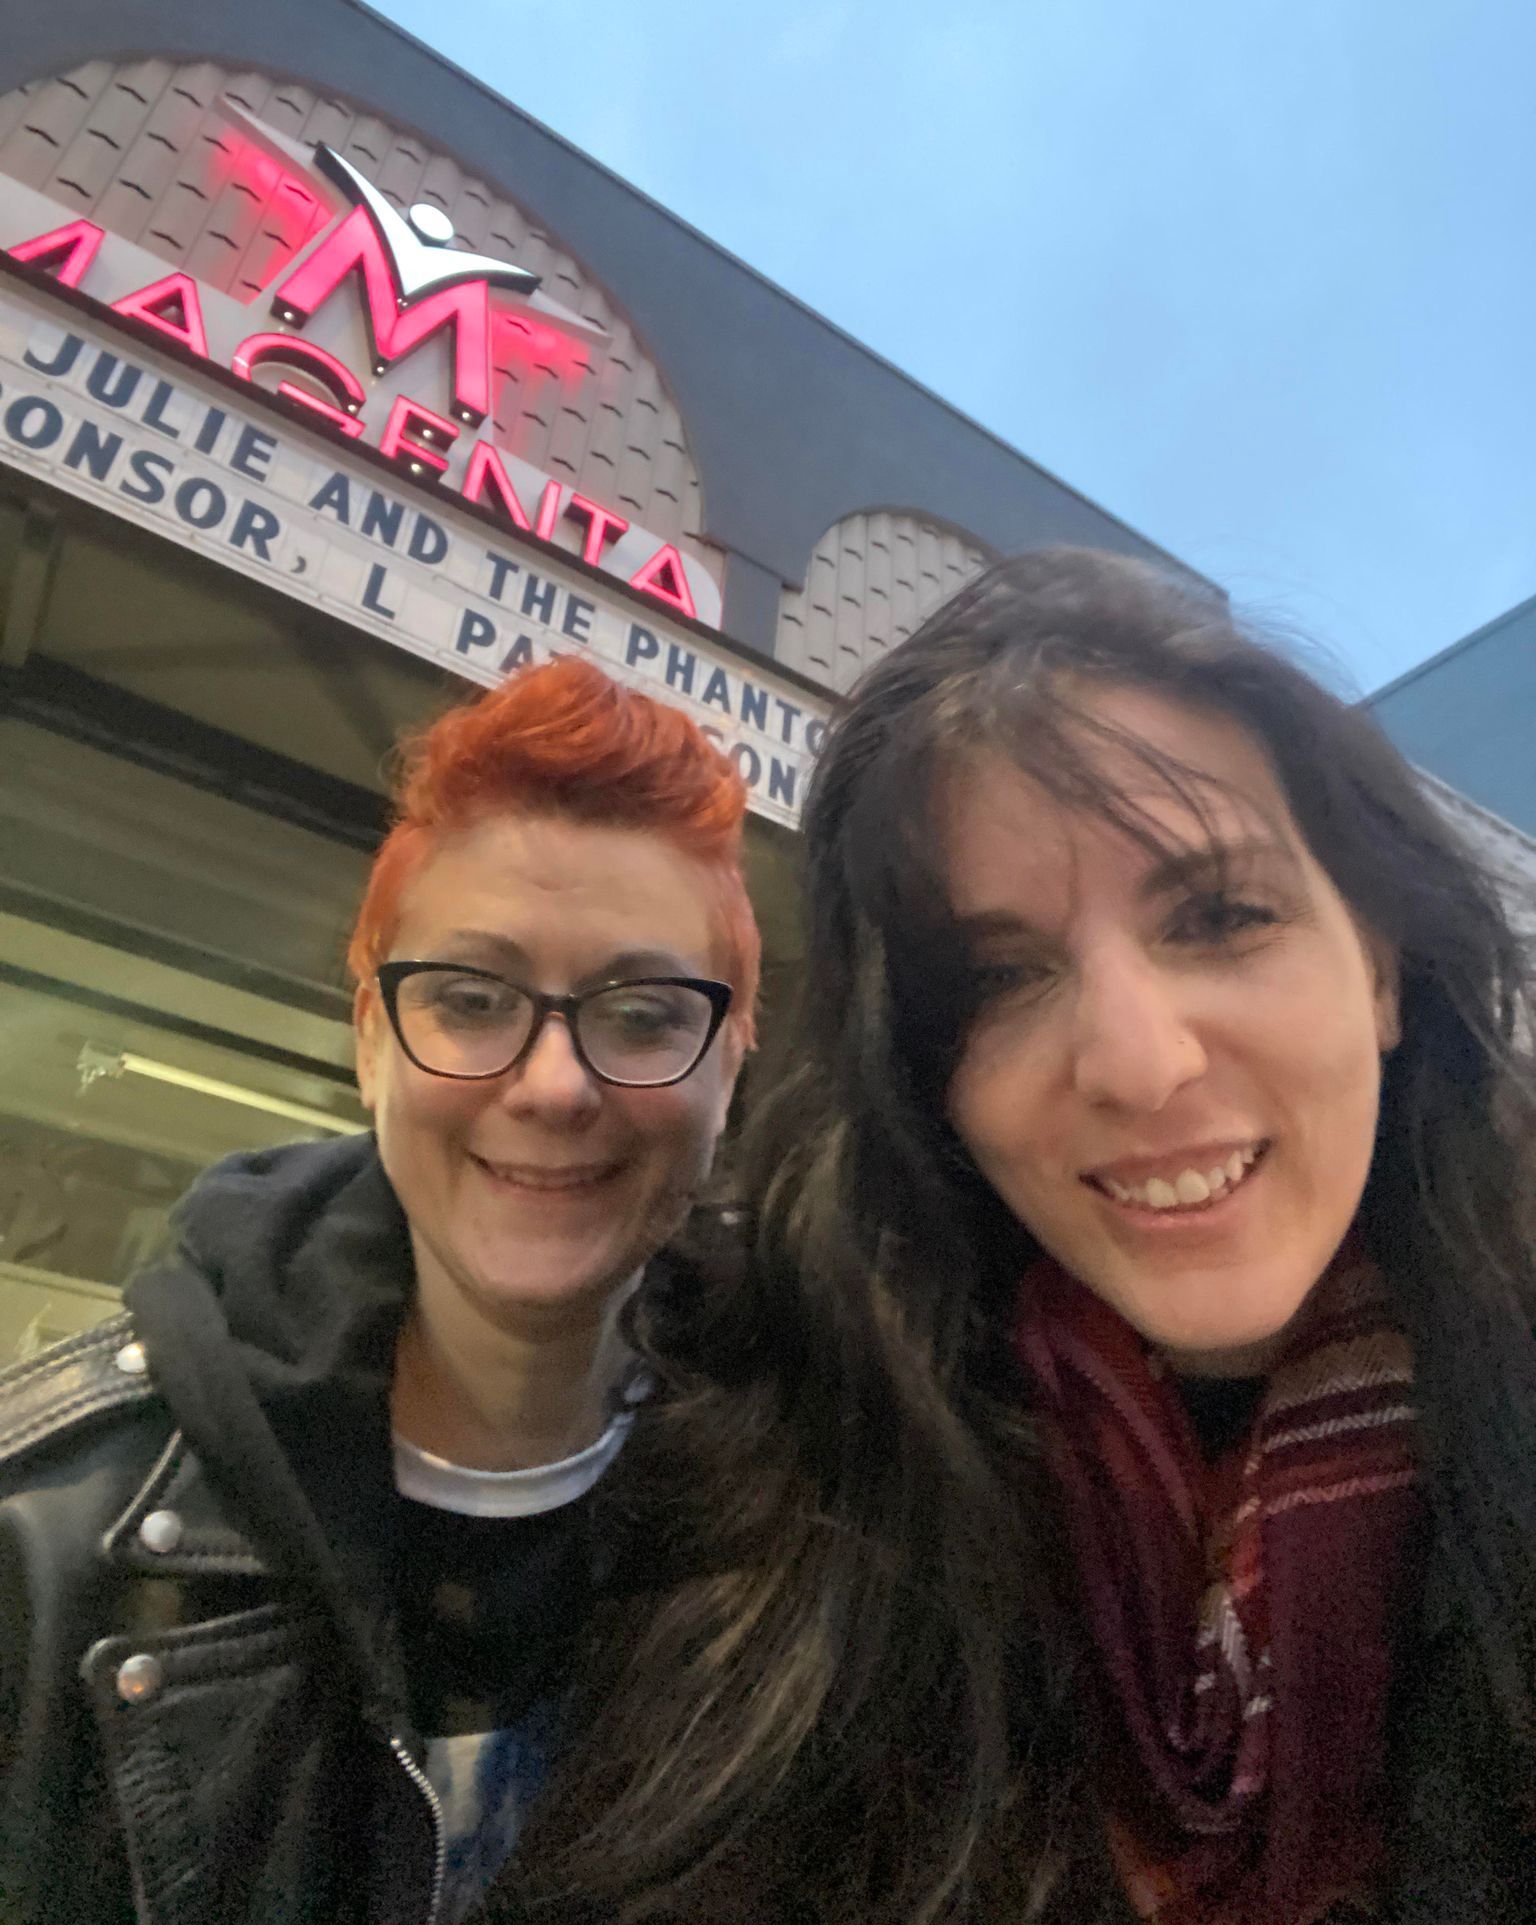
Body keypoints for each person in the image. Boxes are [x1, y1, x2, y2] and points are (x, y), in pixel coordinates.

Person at [733, 548, 1536, 1922]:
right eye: (1000, 975)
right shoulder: (787, 1470)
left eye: (1219, 916)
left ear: (1381, 969)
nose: (1137, 1062)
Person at [0, 655, 754, 1924]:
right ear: (369, 1040)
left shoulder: (820, 1523)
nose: (555, 1085)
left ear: (731, 1061)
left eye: (641, 1013)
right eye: (470, 998)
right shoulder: (44, 1543)